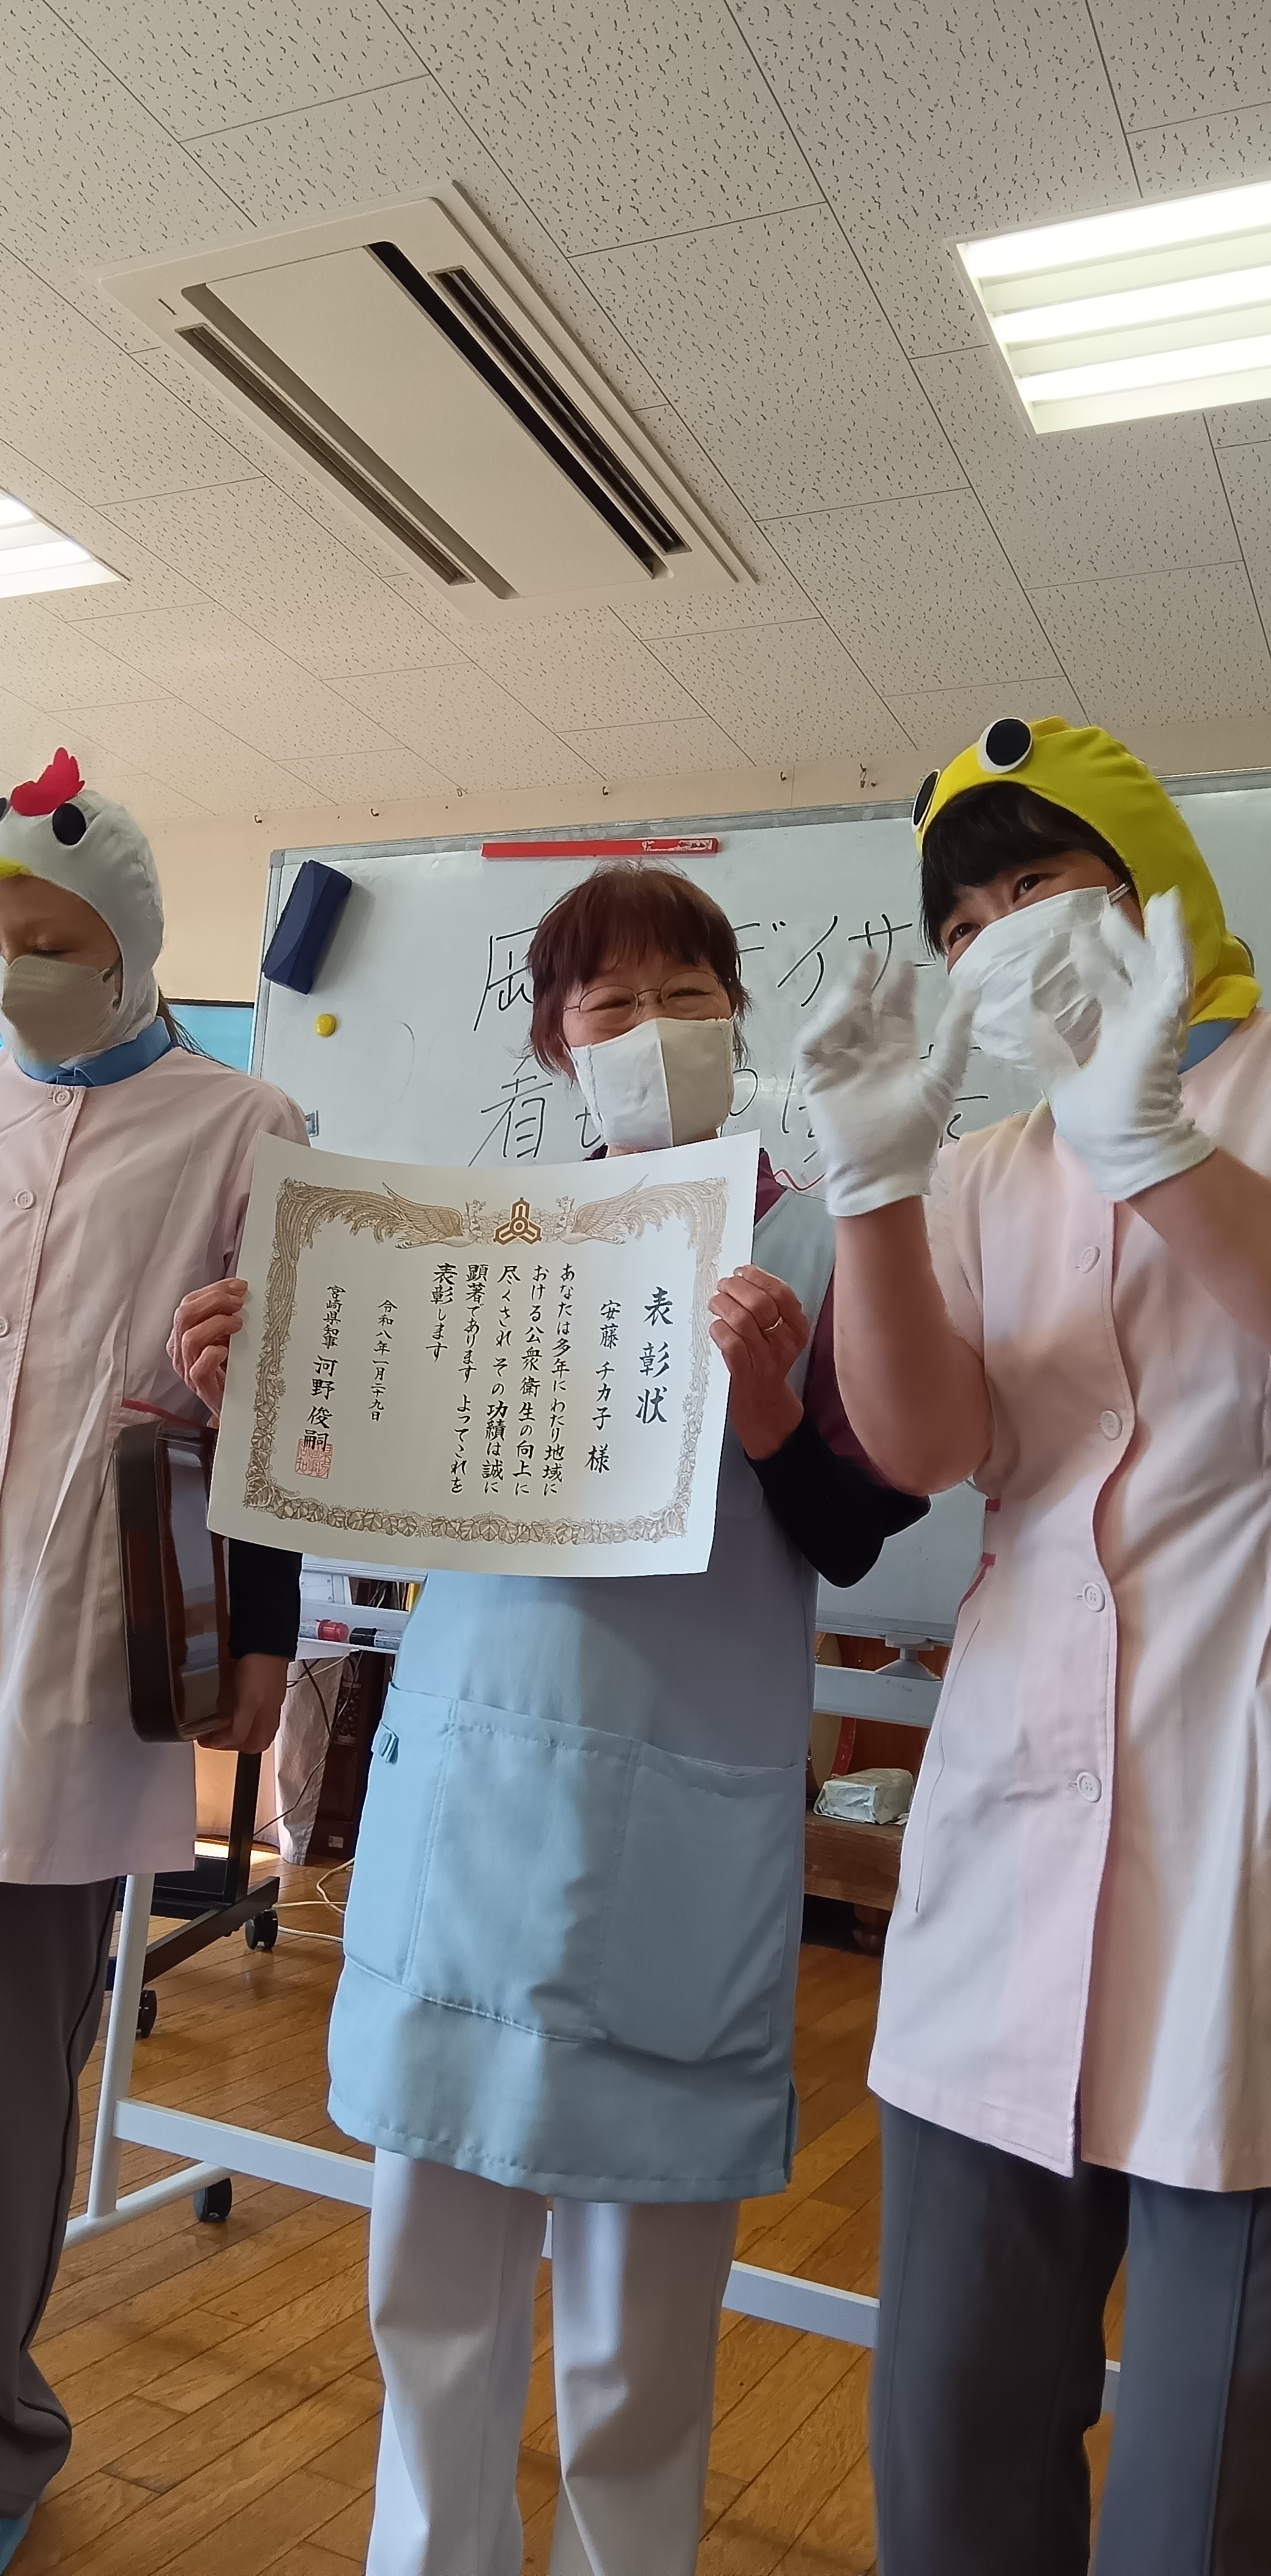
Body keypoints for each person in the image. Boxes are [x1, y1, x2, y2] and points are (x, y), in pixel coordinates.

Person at [171, 862, 927, 2576]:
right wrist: (259, 1396)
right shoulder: (475, 1248)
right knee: (429, 2289)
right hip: (470, 1798)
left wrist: (765, 1410)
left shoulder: (818, 1239)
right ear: (557, 1043)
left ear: (737, 1018)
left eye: (688, 996)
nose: (653, 1031)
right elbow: (356, 1497)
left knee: (636, 2331)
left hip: (676, 1822)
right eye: (612, 1005)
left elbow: (861, 1531)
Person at [0, 748, 307, 2576]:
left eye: (47, 941)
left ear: (129, 943)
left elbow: (279, 1419)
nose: (10, 972)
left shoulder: (246, 1127)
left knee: (3, 2055)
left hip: (81, 1627)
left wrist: (263, 1639)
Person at [795, 716, 1271, 2576]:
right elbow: (925, 1449)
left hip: (1241, 1850)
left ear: (1152, 886)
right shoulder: (985, 1168)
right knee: (956, 2439)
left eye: (1039, 881)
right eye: (964, 919)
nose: (1001, 934)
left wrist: (1153, 1145)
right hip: (1009, 1842)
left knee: (1209, 2487)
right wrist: (872, 1190)